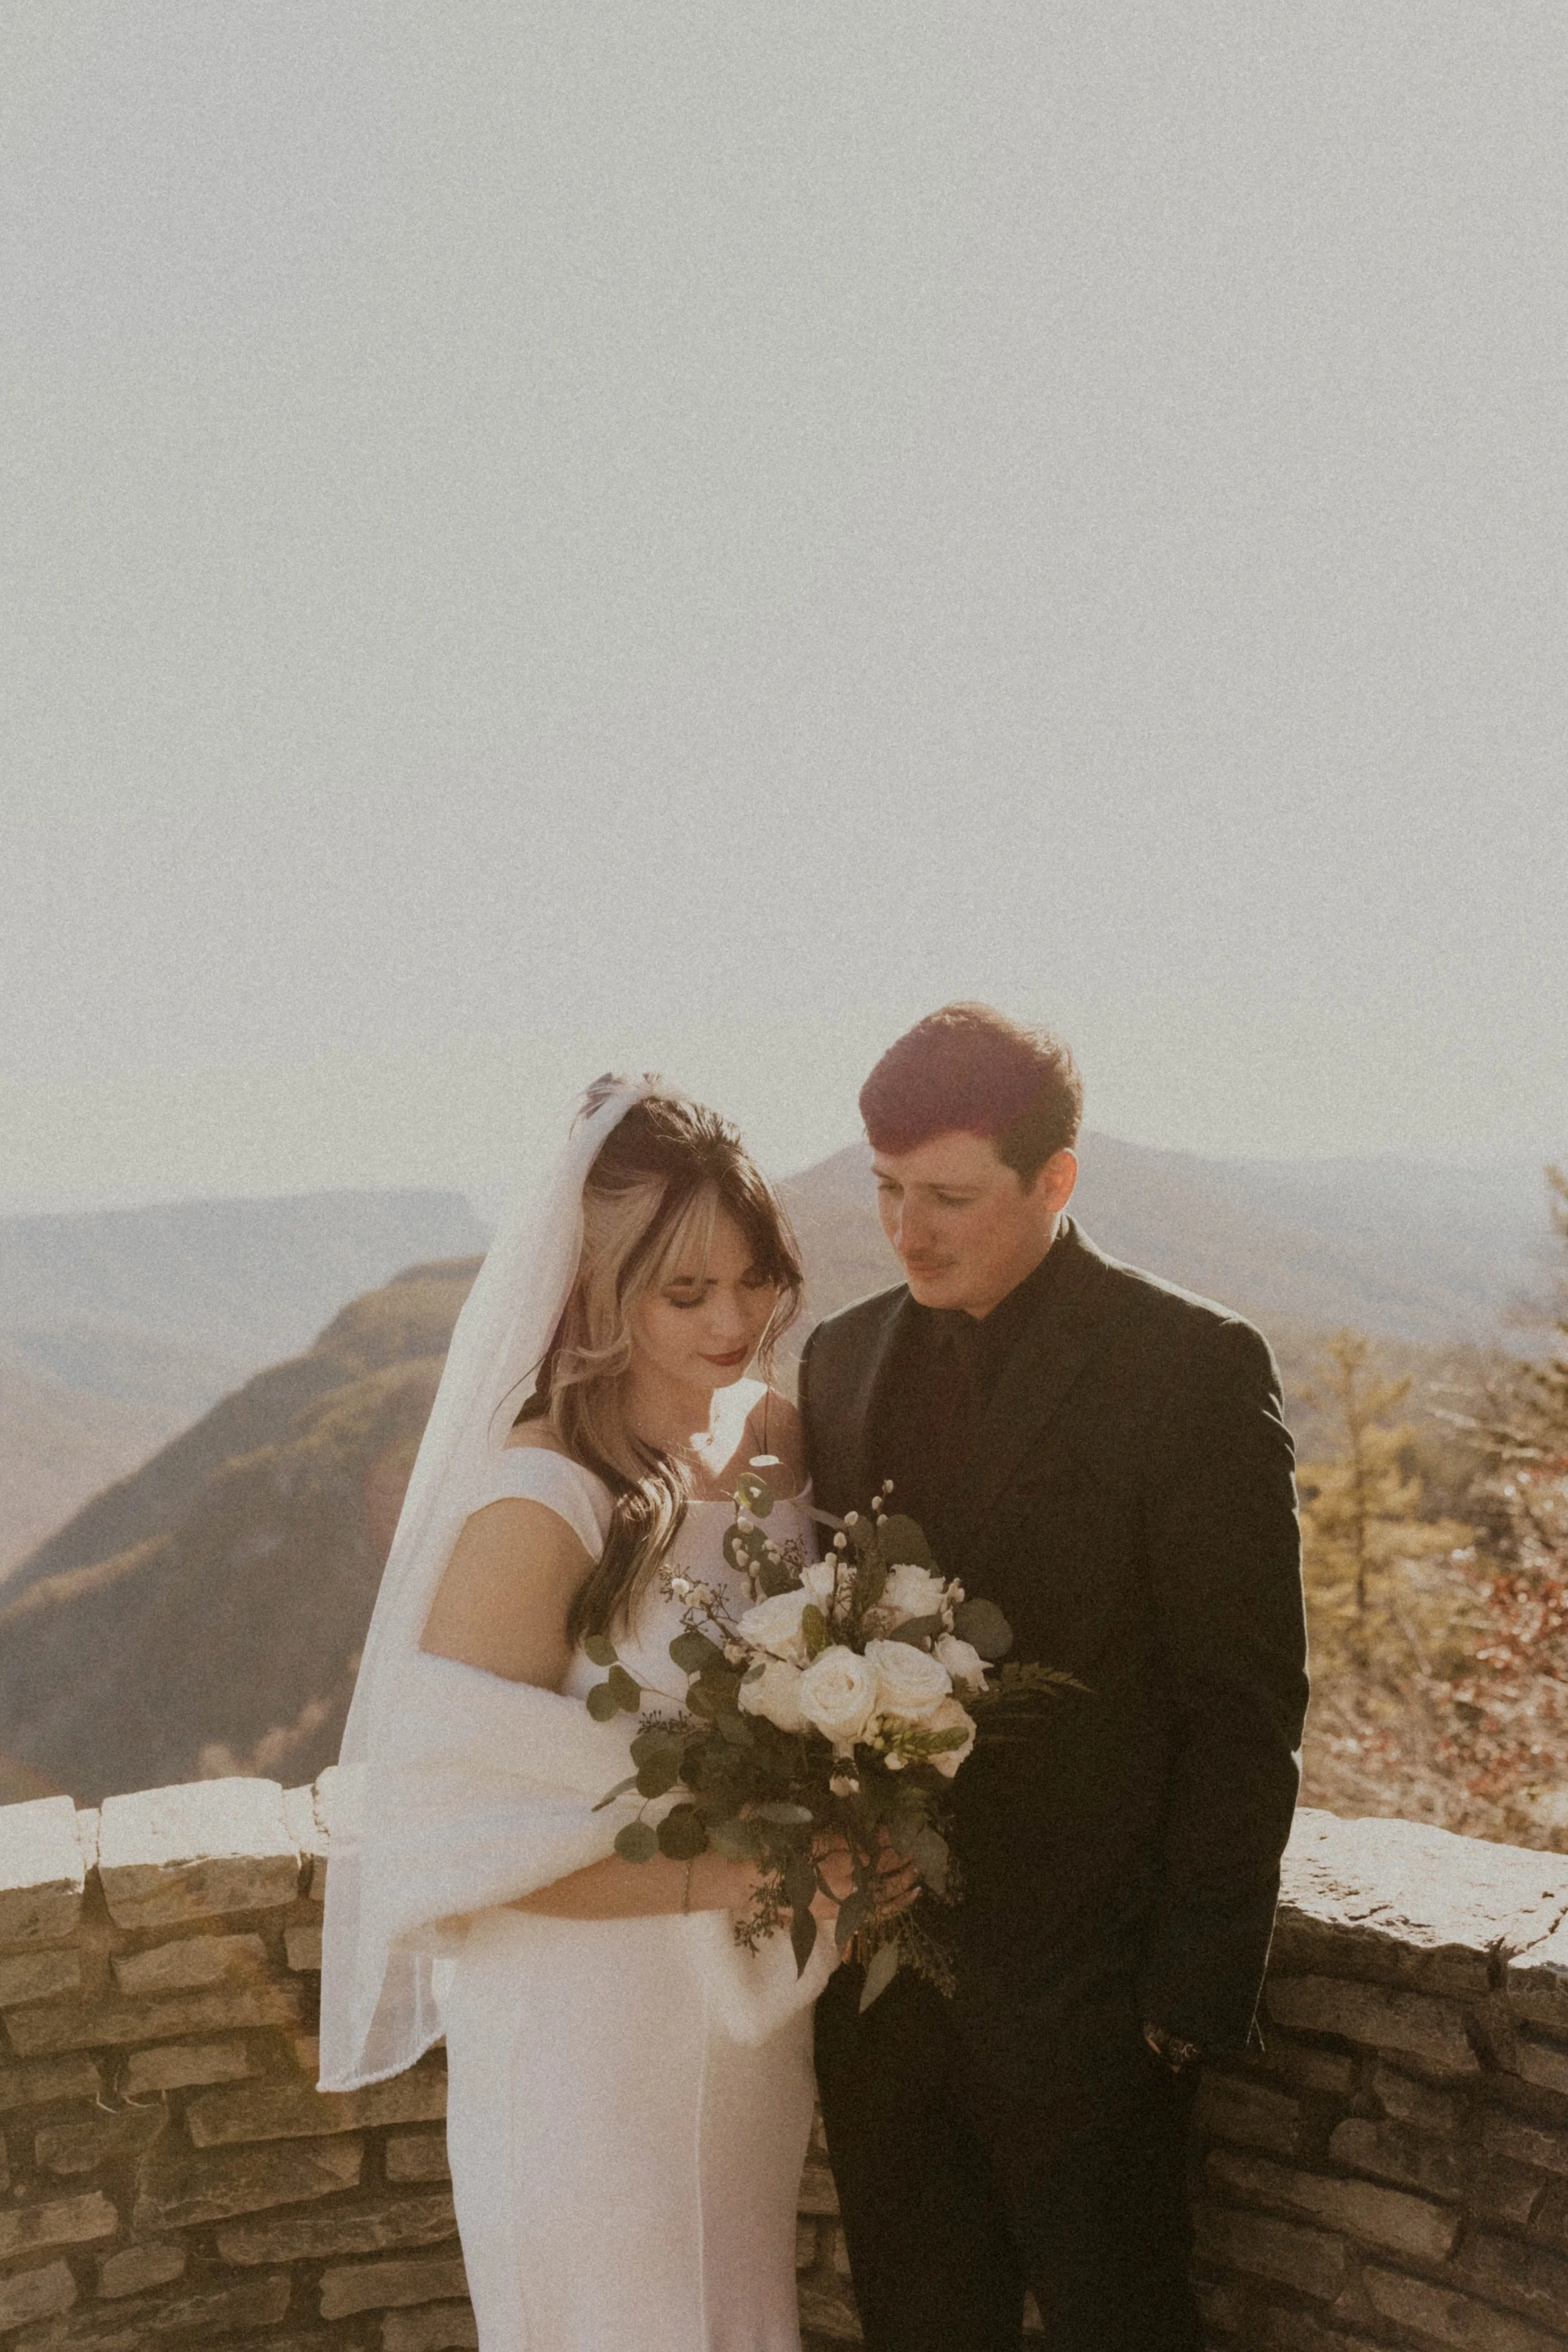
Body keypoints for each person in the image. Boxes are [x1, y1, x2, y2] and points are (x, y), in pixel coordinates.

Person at [318, 1078, 910, 2352]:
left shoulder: (777, 1441)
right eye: (682, 1292)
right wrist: (772, 1866)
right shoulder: (541, 1504)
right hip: (583, 2030)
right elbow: (458, 1847)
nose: (735, 1320)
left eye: (752, 1278)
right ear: (592, 1290)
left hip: (743, 2015)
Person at [800, 1004, 1309, 2352]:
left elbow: (1240, 1709)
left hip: (1094, 2020)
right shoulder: (836, 1361)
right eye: (887, 1191)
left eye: (948, 1197)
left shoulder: (1191, 1368)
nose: (906, 1232)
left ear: (1054, 1181)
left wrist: (1176, 2015)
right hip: (879, 2012)